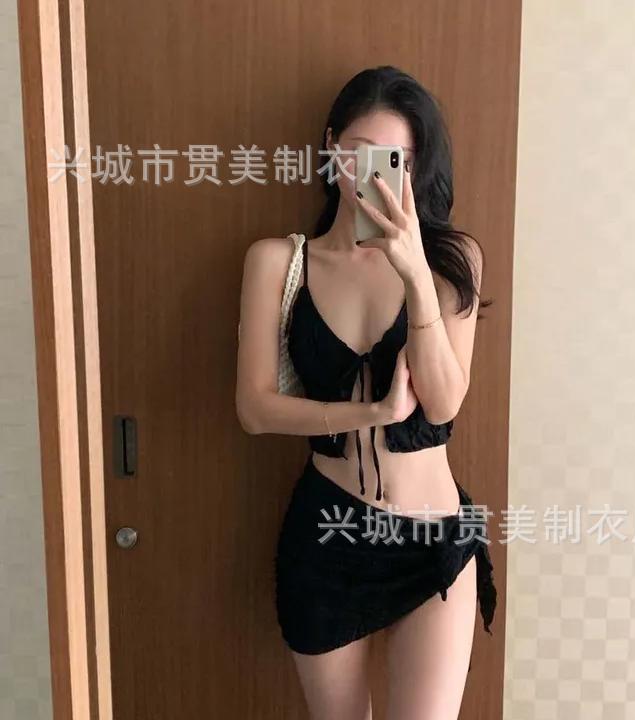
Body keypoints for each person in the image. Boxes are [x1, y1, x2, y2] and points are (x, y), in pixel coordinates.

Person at [236, 65, 497, 720]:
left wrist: (414, 275)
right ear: (331, 147)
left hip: (432, 537)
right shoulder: (278, 261)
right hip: (329, 532)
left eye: (395, 159)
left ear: (416, 165)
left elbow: (444, 402)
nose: (373, 174)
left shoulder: (452, 260)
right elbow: (254, 408)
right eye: (358, 151)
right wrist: (370, 411)